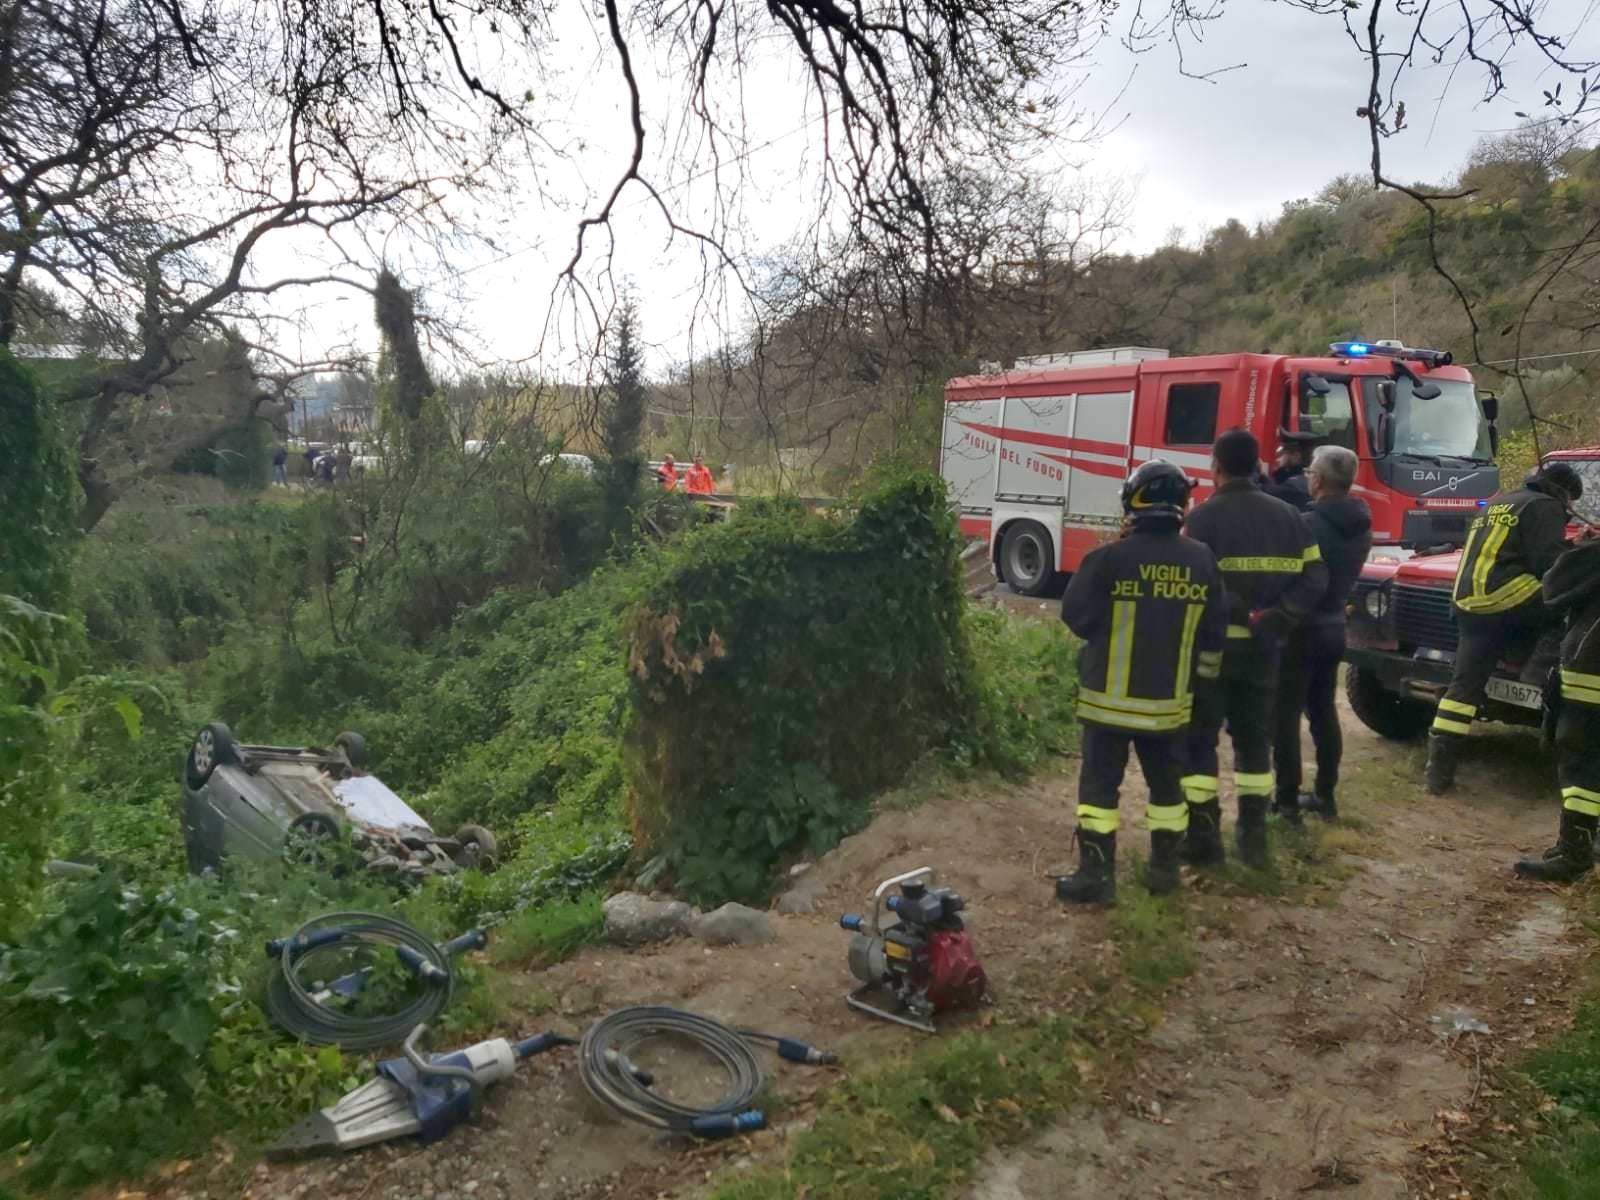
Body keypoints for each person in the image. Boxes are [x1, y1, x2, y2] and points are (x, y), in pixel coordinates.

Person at [1055, 461, 1228, 903]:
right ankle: (1164, 872)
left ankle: (1096, 877)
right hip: (1169, 708)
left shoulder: (1107, 559)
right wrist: (1203, 692)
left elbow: (1076, 617)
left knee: (1098, 793)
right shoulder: (1202, 559)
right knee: (1168, 792)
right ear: (1181, 505)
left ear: (1134, 502)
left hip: (1106, 706)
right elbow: (1214, 633)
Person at [1182, 428, 1327, 868]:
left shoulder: (1202, 520)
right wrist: (1281, 616)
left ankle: (1204, 840)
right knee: (1254, 745)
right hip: (1265, 654)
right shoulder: (1290, 517)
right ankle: (1253, 840)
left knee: (1200, 744)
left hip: (1211, 657)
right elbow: (1315, 578)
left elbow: (1191, 586)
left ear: (1216, 467)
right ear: (1258, 465)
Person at [1424, 460, 1583, 793]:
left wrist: (1568, 544)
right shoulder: (1547, 506)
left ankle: (1438, 773)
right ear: (1564, 492)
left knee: (1463, 689)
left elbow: (1514, 551)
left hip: (1469, 603)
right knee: (1564, 603)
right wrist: (1580, 553)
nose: (1570, 508)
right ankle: (1537, 671)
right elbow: (1549, 565)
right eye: (1572, 501)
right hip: (1506, 598)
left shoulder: (1499, 501)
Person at [1272, 445, 1371, 823]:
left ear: (1318, 478)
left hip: (1300, 628)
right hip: (1334, 626)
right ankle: (1325, 796)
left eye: (1311, 471)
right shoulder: (1361, 522)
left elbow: (1289, 575)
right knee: (1323, 711)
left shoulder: (1307, 524)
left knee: (1283, 716)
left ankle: (1285, 799)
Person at [1515, 527, 1600, 882]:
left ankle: (1574, 853)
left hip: (1592, 676)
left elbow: (1555, 586)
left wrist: (1582, 545)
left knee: (1580, 762)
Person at [1265, 439, 1313, 511]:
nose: (1277, 460)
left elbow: (1268, 493)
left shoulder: (1293, 485)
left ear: (1295, 456)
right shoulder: (1309, 478)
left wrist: (1264, 476)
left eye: (1282, 454)